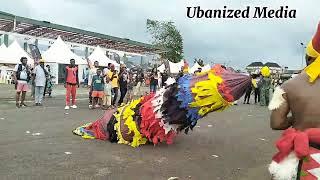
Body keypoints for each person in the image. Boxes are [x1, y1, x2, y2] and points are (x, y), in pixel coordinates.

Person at [268, 22, 320, 179]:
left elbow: (276, 123)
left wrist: (295, 118)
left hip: (303, 155)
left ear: (309, 58)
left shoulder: (288, 86)